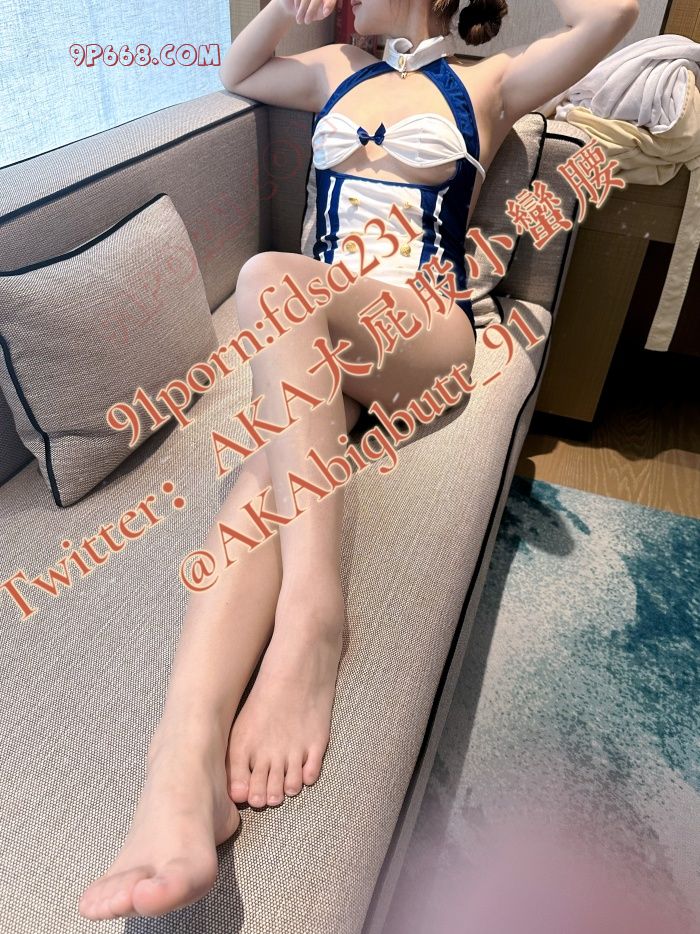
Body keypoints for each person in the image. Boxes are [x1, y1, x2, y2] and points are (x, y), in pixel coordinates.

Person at [78, 0, 639, 921]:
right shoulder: (337, 67)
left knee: (269, 277)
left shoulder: (487, 83)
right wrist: (279, 5)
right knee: (261, 483)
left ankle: (314, 617)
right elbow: (237, 72)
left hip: (421, 334)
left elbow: (613, 14)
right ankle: (180, 769)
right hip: (317, 338)